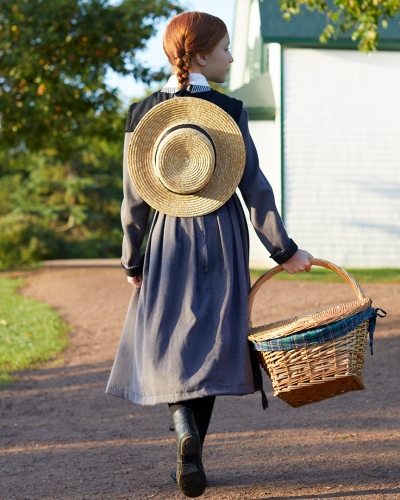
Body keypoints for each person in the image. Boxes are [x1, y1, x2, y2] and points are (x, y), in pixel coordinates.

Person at [106, 11, 313, 498]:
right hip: (221, 236)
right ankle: (194, 450)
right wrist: (284, 250)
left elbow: (133, 201)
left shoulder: (142, 114)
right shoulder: (229, 110)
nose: (232, 56)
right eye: (224, 49)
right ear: (199, 55)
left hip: (166, 239)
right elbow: (255, 189)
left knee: (170, 343)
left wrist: (132, 260)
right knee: (214, 343)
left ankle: (182, 427)